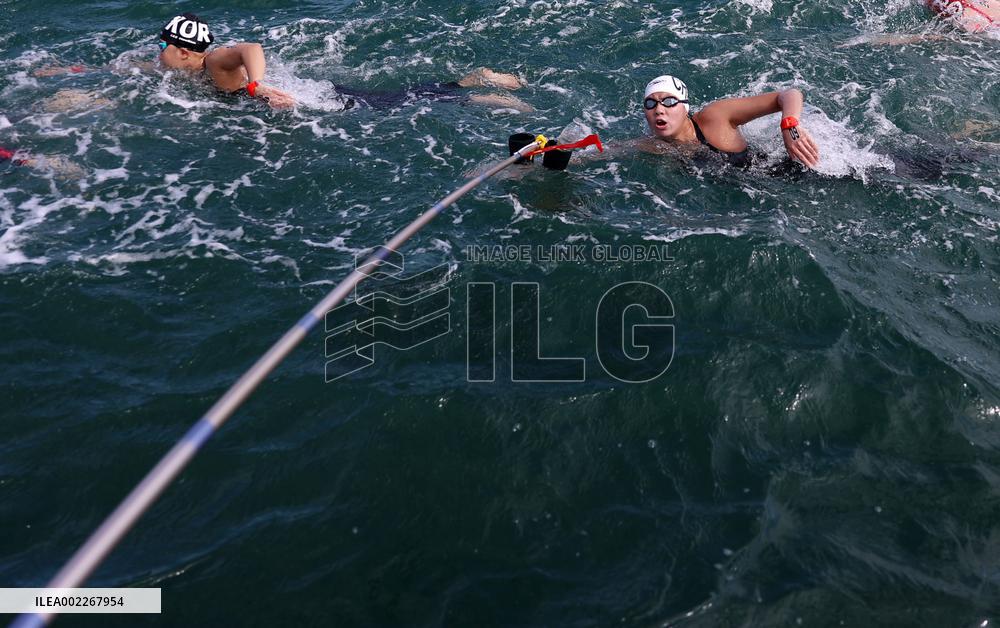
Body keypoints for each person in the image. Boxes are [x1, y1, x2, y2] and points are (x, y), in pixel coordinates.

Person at [33, 13, 529, 112]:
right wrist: (72, 73)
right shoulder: (174, 68)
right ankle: (465, 83)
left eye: (161, 45)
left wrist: (255, 87)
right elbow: (133, 71)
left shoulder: (213, 65)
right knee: (393, 101)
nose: (155, 53)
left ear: (183, 50)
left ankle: (477, 88)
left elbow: (250, 49)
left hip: (323, 101)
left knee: (393, 105)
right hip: (275, 100)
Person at [639, 74, 820, 169]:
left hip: (800, 170)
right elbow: (617, 149)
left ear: (685, 107)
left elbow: (789, 94)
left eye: (669, 102)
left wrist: (790, 126)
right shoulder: (657, 146)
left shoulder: (715, 116)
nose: (659, 109)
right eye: (650, 103)